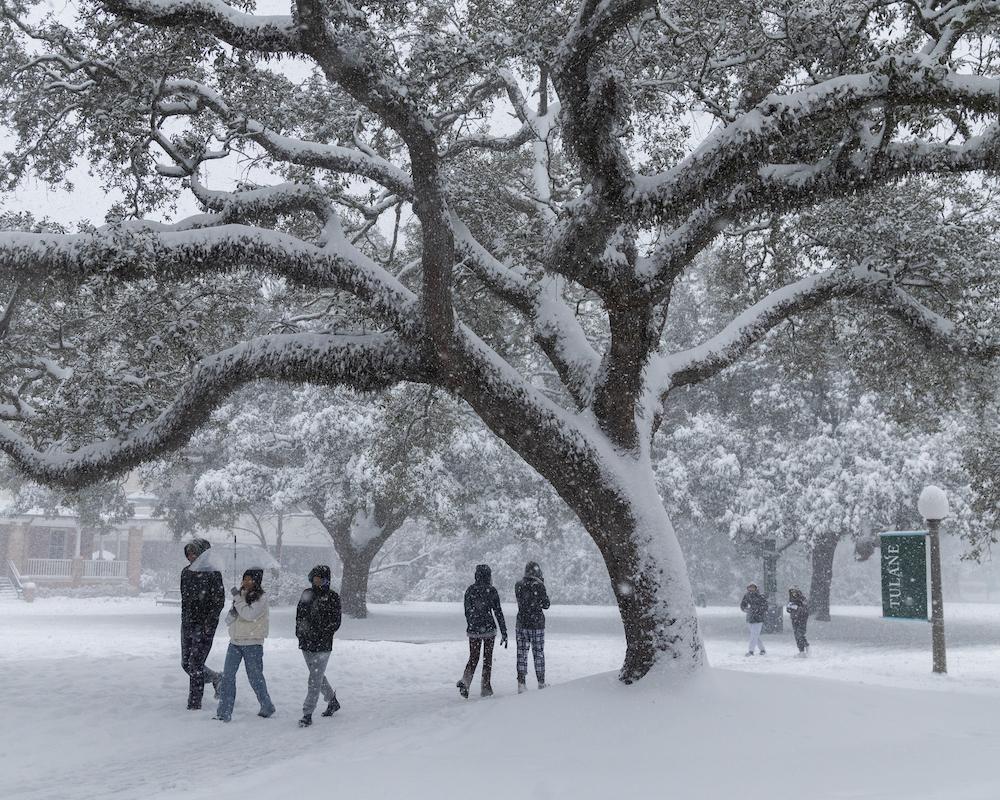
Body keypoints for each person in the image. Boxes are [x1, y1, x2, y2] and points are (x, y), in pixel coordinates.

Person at [214, 569, 274, 722]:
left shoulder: (262, 598)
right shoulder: (239, 596)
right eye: (244, 579)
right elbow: (230, 618)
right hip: (235, 642)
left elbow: (249, 615)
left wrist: (237, 600)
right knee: (227, 677)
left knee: (255, 678)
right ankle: (223, 712)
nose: (245, 582)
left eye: (250, 579)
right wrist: (233, 610)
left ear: (256, 581)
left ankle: (266, 705)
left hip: (252, 643)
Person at [180, 538, 225, 710]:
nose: (191, 556)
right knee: (186, 663)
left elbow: (219, 601)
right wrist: (185, 621)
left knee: (195, 664)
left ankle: (194, 703)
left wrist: (210, 622)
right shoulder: (185, 572)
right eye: (188, 553)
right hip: (187, 624)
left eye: (194, 552)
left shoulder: (213, 573)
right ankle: (215, 677)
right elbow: (185, 600)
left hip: (205, 625)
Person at [295, 565, 343, 728]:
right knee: (317, 676)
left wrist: (320, 631)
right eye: (314, 578)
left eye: (320, 578)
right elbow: (299, 616)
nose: (316, 581)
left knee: (314, 679)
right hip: (306, 644)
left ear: (326, 580)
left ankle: (307, 713)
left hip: (323, 645)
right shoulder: (306, 594)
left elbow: (335, 622)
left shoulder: (333, 597)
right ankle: (332, 700)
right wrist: (301, 633)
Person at [457, 564, 507, 699]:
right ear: (489, 576)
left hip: (473, 630)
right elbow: (498, 612)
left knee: (473, 657)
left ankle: (466, 681)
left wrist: (472, 624)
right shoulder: (491, 591)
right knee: (487, 658)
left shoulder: (470, 590)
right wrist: (504, 631)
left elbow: (467, 611)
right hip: (489, 629)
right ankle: (485, 687)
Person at [514, 561, 550, 693]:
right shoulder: (539, 586)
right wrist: (542, 585)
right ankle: (541, 682)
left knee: (521, 654)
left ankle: (521, 683)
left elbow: (521, 601)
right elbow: (546, 604)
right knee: (538, 654)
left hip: (522, 623)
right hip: (537, 624)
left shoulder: (518, 585)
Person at [739, 582, 768, 656]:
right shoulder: (747, 596)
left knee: (753, 635)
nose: (751, 589)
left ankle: (751, 651)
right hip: (749, 619)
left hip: (758, 619)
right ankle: (762, 649)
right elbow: (742, 605)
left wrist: (757, 610)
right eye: (750, 587)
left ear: (756, 588)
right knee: (755, 635)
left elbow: (765, 607)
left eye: (753, 587)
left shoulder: (761, 596)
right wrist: (746, 609)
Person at [786, 587, 810, 657]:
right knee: (797, 635)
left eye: (795, 592)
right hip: (794, 620)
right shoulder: (791, 600)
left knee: (800, 634)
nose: (794, 594)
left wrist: (797, 608)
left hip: (802, 620)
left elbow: (806, 610)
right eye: (792, 593)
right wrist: (789, 607)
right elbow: (788, 609)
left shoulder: (803, 599)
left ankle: (804, 649)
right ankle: (802, 650)